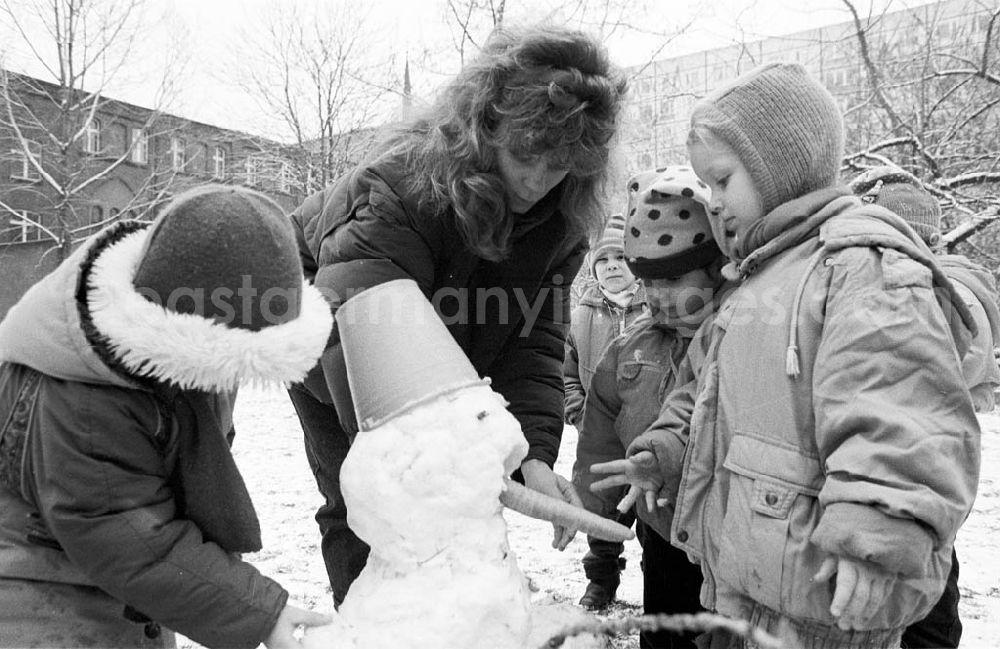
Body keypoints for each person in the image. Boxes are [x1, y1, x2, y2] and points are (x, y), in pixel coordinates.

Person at [591, 63, 981, 649]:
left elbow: (901, 409)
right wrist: (666, 451)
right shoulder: (751, 285)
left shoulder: (856, 265)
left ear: (779, 166)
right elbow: (700, 394)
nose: (713, 202)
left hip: (831, 593)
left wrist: (880, 529)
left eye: (722, 181)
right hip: (754, 586)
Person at [287, 24, 628, 606]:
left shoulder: (561, 221)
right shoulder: (399, 188)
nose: (539, 179)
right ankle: (370, 627)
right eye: (525, 154)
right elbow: (365, 338)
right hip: (329, 335)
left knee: (454, 494)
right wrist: (431, 462)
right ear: (483, 127)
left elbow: (532, 340)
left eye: (562, 163)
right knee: (367, 496)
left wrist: (535, 457)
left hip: (453, 332)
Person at [0, 185, 334, 648]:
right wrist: (259, 612)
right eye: (231, 361)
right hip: (35, 595)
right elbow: (122, 533)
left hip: (123, 587)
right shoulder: (86, 398)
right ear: (192, 333)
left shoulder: (180, 360)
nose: (228, 383)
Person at [573, 166, 728, 647]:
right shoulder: (630, 350)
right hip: (661, 534)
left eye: (674, 277)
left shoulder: (739, 336)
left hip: (730, 537)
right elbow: (599, 438)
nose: (657, 294)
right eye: (648, 279)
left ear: (718, 265)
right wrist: (586, 509)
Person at [850, 165, 1000, 649]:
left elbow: (966, 343)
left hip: (917, 481)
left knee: (925, 610)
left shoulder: (942, 292)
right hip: (899, 479)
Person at [563, 213, 646, 610]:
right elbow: (567, 373)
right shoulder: (580, 316)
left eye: (620, 258)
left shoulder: (657, 308)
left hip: (647, 437)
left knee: (651, 517)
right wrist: (579, 412)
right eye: (604, 260)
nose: (612, 266)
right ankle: (601, 581)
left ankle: (659, 585)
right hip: (600, 438)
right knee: (603, 514)